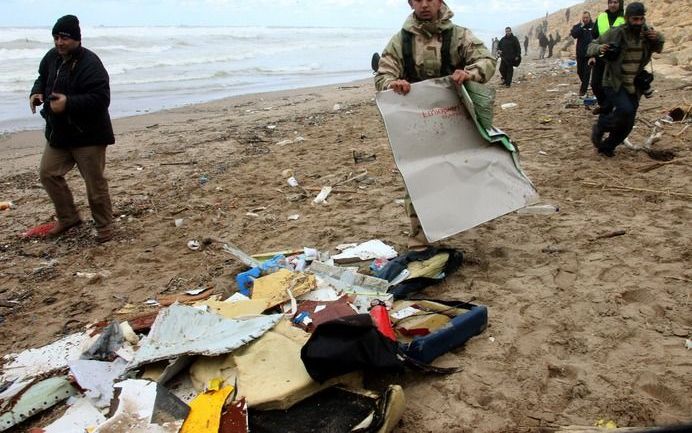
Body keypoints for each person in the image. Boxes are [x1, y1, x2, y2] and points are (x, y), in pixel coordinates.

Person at [375, 0, 496, 248]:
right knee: (417, 175)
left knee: (462, 168)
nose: (424, 4)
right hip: (416, 120)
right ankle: (419, 237)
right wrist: (392, 84)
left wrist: (470, 73)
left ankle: (458, 219)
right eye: (417, 0)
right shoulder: (401, 41)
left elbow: (487, 60)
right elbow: (382, 75)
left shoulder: (459, 35)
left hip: (455, 117)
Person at [30, 15, 115, 242]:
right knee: (48, 174)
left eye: (64, 38)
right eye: (56, 37)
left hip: (89, 135)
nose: (59, 42)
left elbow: (101, 99)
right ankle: (68, 218)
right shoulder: (51, 58)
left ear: (76, 39)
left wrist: (68, 103)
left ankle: (105, 226)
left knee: (95, 184)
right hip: (59, 134)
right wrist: (36, 92)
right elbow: (42, 78)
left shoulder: (90, 63)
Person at [588, 2, 664, 157]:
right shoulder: (616, 33)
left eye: (641, 19)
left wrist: (658, 38)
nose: (638, 23)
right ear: (627, 18)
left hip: (634, 84)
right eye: (635, 19)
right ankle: (602, 125)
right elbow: (591, 46)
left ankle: (607, 147)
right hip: (614, 81)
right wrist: (600, 49)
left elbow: (659, 47)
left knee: (628, 122)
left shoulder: (647, 33)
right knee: (625, 110)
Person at [590, 0, 625, 113]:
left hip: (617, 58)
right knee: (595, 84)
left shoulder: (625, 18)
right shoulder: (601, 17)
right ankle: (604, 105)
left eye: (615, 2)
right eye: (610, 2)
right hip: (601, 55)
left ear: (620, 3)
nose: (612, 5)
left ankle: (610, 108)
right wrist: (592, 54)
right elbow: (594, 36)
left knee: (613, 85)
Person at [571, 11, 595, 97]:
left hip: (590, 55)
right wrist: (581, 26)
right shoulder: (579, 26)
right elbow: (574, 34)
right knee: (579, 72)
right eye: (584, 18)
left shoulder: (594, 26)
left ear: (590, 17)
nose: (585, 19)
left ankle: (583, 90)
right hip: (580, 54)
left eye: (587, 18)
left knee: (586, 73)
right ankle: (585, 84)